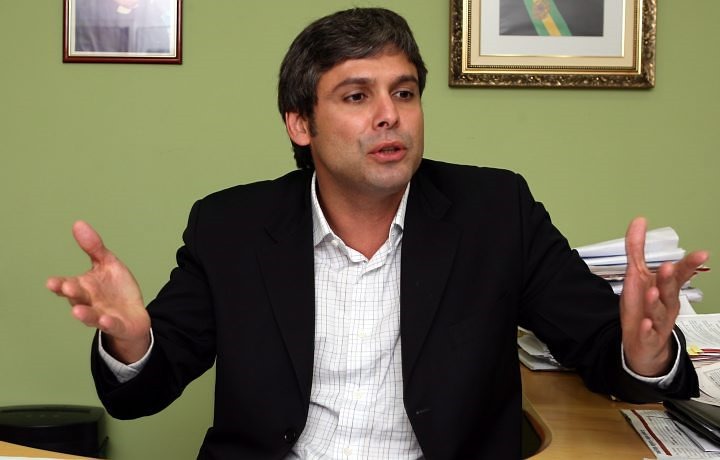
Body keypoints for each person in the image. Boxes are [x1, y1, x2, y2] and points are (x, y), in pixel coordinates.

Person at [47, 7, 708, 460]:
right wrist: (131, 341)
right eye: (357, 96)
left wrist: (645, 350)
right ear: (300, 124)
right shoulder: (232, 227)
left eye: (405, 92)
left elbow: (606, 352)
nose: (390, 116)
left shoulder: (494, 211)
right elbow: (143, 391)